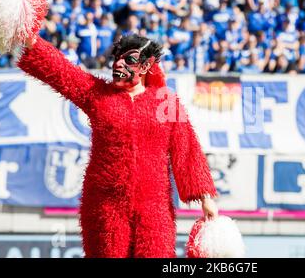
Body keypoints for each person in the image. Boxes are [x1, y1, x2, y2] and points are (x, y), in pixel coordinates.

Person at [19, 33, 219, 257]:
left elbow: (187, 149)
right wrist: (31, 41)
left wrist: (206, 198)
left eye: (129, 60)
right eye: (117, 58)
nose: (119, 64)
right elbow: (63, 73)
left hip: (155, 207)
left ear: (146, 66)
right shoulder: (98, 95)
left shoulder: (166, 102)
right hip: (105, 207)